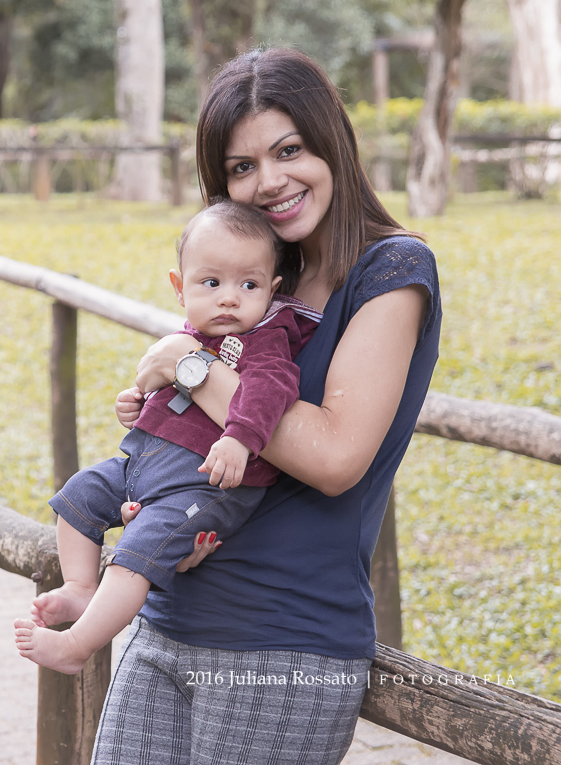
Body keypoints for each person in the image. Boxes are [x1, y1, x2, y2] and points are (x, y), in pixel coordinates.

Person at [88, 48, 441, 765]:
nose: (270, 181)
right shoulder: (249, 281)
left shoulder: (392, 270)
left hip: (284, 639)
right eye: (242, 166)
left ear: (331, 142)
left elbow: (334, 456)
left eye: (289, 150)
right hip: (168, 610)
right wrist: (160, 503)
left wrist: (186, 364)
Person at [13, 200, 321, 675]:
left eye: (249, 285)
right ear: (180, 288)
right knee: (80, 494)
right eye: (211, 283)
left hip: (205, 483)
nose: (229, 298)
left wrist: (239, 439)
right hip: (145, 465)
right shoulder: (193, 334)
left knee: (137, 550)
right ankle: (80, 587)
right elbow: (172, 396)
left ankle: (77, 645)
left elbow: (270, 390)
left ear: (272, 289)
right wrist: (135, 404)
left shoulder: (265, 338)